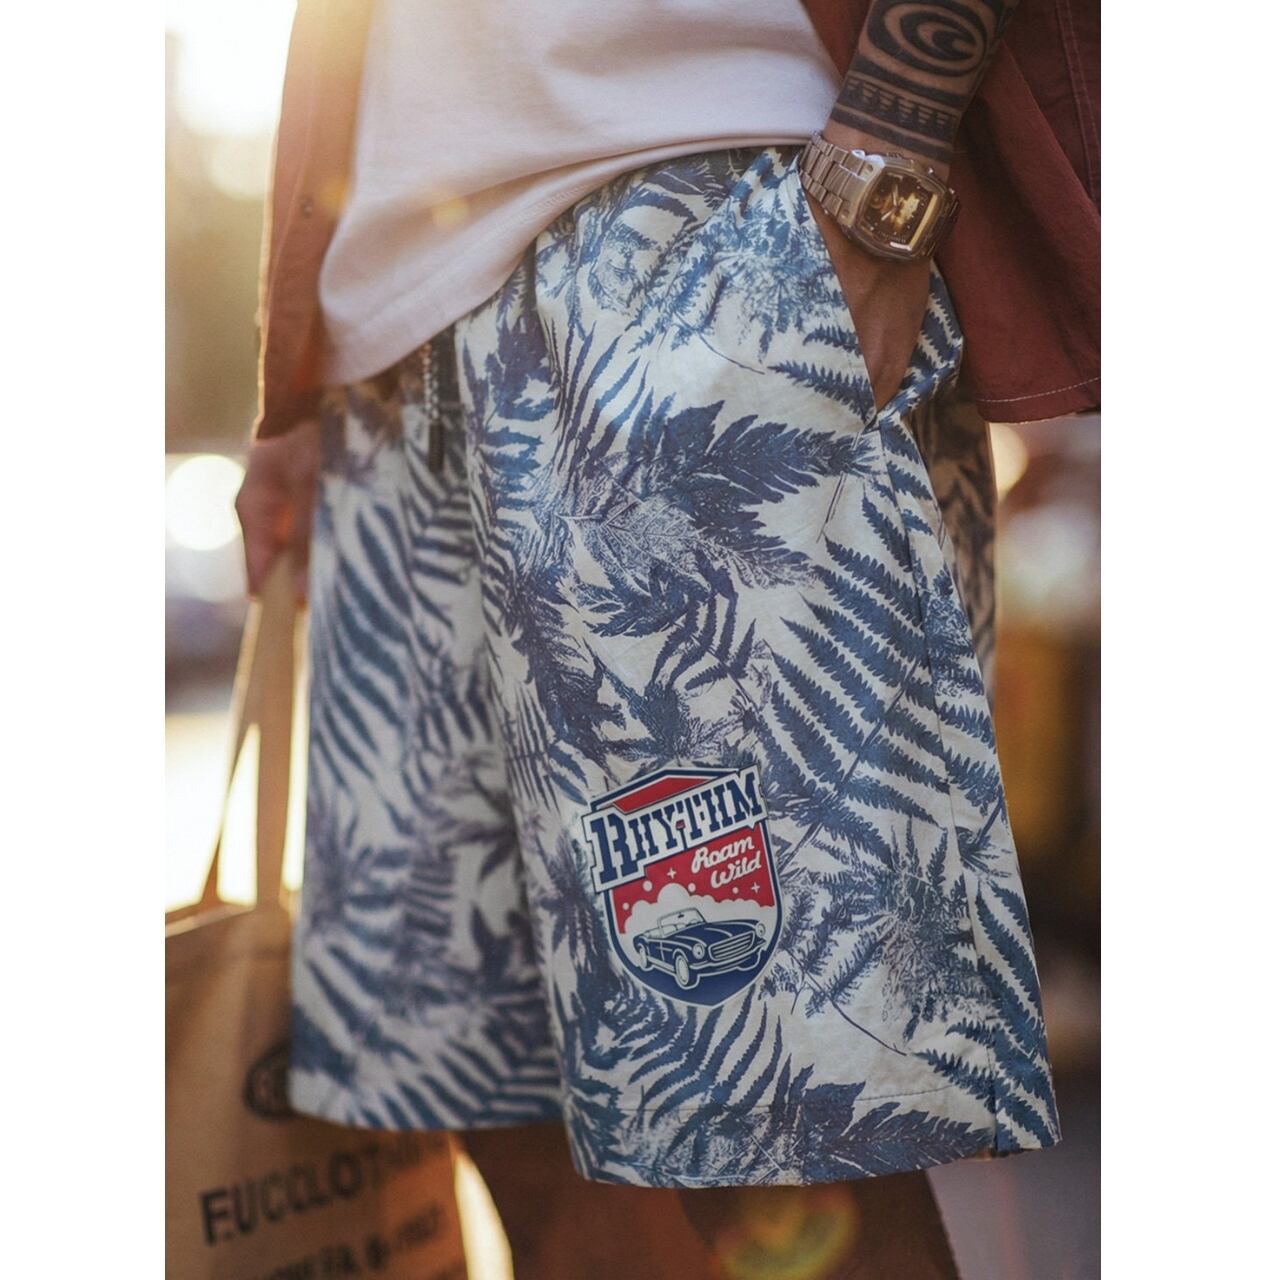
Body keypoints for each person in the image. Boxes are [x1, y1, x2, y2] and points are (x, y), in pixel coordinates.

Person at [237, 1, 1096, 1275]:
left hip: (698, 246)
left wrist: (885, 161)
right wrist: (294, 375)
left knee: (781, 1141)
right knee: (504, 1113)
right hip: (387, 335)